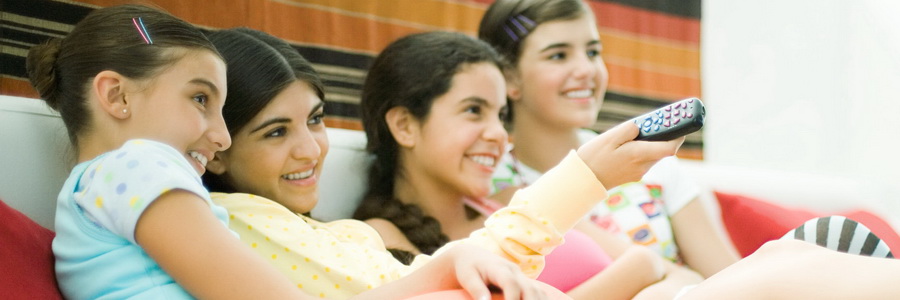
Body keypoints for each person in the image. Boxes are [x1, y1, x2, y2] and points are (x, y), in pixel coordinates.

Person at [26, 6, 546, 300]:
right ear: (116, 96)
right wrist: (445, 270)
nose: (221, 135)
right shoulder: (136, 166)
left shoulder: (95, 190)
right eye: (200, 99)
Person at [351, 29, 704, 299]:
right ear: (404, 125)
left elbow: (682, 277)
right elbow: (646, 264)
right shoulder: (380, 237)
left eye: (501, 115)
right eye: (474, 110)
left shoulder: (516, 201)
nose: (499, 134)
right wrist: (637, 272)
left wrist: (648, 280)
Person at [478, 0, 742, 277]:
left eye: (592, 52)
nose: (586, 70)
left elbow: (734, 280)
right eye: (558, 56)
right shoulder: (490, 182)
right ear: (508, 78)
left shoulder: (654, 164)